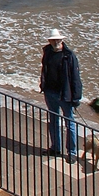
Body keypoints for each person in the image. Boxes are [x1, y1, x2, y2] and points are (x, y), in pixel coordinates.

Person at [40, 28, 83, 163]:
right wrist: (43, 86)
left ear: (62, 40)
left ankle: (72, 152)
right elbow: (44, 70)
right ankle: (55, 147)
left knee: (69, 123)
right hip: (50, 92)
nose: (55, 42)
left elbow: (75, 78)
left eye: (57, 39)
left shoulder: (69, 56)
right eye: (53, 40)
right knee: (53, 120)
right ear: (50, 41)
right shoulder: (47, 52)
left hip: (65, 95)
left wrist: (76, 98)